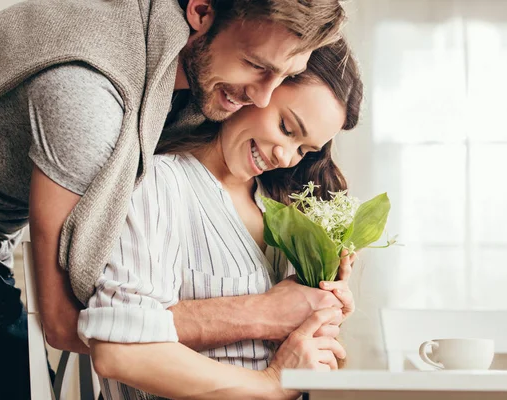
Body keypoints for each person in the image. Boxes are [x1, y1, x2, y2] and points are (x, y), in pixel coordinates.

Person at [0, 0, 349, 399]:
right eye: (256, 65)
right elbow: (71, 326)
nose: (262, 96)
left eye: (285, 75)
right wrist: (265, 329)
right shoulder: (90, 94)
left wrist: (316, 288)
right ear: (200, 12)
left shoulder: (178, 72)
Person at [78, 38, 363, 400]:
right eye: (287, 128)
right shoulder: (159, 183)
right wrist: (273, 380)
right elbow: (120, 350)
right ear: (258, 86)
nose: (286, 156)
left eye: (304, 150)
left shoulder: (278, 205)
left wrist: (321, 316)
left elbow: (297, 356)